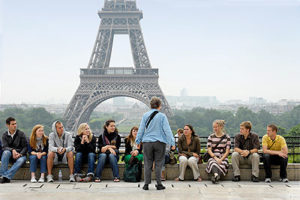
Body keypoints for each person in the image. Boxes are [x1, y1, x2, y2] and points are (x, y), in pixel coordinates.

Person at [136, 97, 175, 190]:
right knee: (158, 163)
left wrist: (138, 141)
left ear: (150, 105)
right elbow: (167, 130)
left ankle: (146, 184)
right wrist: (172, 143)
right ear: (160, 106)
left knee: (147, 163)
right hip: (159, 142)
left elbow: (141, 129)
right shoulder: (162, 116)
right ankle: (159, 183)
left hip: (147, 142)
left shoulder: (145, 115)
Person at [0, 117, 27, 184]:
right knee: (6, 152)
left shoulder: (21, 134)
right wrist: (12, 150)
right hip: (10, 156)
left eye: (15, 124)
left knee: (21, 160)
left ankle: (5, 176)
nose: (15, 125)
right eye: (13, 124)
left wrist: (20, 154)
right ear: (7, 125)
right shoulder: (4, 135)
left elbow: (25, 147)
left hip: (21, 155)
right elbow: (4, 147)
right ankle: (3, 176)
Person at [206, 120, 231, 184]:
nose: (215, 129)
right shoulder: (211, 137)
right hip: (213, 156)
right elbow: (209, 149)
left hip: (223, 157)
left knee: (222, 164)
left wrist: (221, 159)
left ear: (221, 127)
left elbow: (227, 150)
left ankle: (215, 176)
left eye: (216, 127)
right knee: (212, 162)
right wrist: (216, 158)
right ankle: (217, 176)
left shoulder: (227, 137)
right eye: (214, 127)